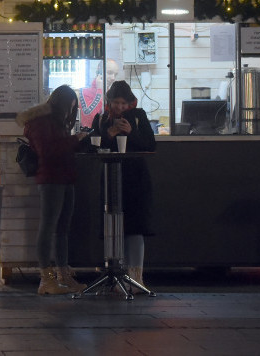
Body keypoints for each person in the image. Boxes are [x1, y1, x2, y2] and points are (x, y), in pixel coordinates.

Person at [17, 85, 89, 295]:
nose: (70, 112)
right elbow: (47, 151)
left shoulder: (55, 121)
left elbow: (57, 146)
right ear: (60, 104)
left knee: (62, 229)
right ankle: (46, 279)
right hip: (51, 179)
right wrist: (75, 140)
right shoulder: (39, 122)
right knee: (48, 227)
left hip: (64, 177)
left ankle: (63, 275)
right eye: (69, 107)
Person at [92, 80, 156, 287]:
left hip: (135, 178)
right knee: (113, 225)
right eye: (116, 102)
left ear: (130, 103)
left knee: (135, 226)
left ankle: (136, 278)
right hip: (111, 177)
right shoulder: (101, 119)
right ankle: (114, 276)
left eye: (123, 103)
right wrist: (108, 134)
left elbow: (150, 145)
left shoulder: (139, 117)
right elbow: (94, 148)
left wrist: (132, 133)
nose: (120, 107)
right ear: (109, 102)